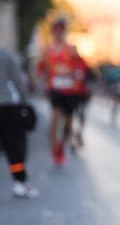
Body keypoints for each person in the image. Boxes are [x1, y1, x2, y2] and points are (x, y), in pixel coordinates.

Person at [36, 17, 88, 166]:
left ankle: (61, 146)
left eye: (61, 31)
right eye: (56, 31)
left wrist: (77, 75)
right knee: (54, 117)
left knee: (68, 124)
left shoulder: (71, 49)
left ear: (64, 32)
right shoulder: (47, 51)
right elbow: (41, 69)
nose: (58, 34)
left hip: (71, 90)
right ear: (53, 33)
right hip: (55, 89)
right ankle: (55, 151)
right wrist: (40, 78)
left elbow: (82, 66)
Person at [0, 46, 38, 198]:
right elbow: (17, 79)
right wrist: (24, 100)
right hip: (7, 106)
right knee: (14, 146)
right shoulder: (5, 54)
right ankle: (20, 183)